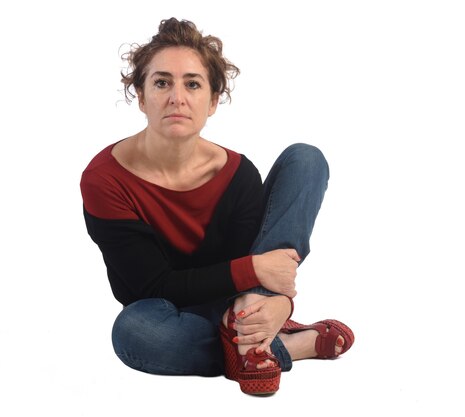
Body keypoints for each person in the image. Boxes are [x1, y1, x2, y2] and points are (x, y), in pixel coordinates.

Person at [79, 17, 353, 395]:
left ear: (211, 102)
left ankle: (249, 329)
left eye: (192, 84)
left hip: (236, 300)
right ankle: (276, 343)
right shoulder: (105, 180)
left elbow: (255, 266)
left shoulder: (237, 173)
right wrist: (278, 300)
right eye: (162, 83)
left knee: (305, 159)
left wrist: (268, 298)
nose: (177, 97)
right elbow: (154, 284)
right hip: (163, 309)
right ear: (141, 97)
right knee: (133, 332)